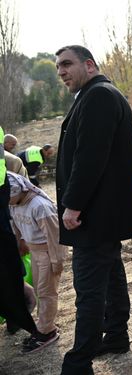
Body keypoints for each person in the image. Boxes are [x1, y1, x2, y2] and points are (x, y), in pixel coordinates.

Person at [55, 45, 132, 374]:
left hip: (93, 214)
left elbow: (90, 157)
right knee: (110, 274)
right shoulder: (99, 95)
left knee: (89, 288)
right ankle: (117, 335)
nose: (61, 72)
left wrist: (73, 205)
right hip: (103, 214)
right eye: (58, 68)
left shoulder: (98, 96)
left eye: (67, 64)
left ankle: (80, 361)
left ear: (89, 64)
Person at [8, 172, 68, 353]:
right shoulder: (14, 203)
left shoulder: (40, 206)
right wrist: (20, 241)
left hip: (47, 253)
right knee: (40, 289)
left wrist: (57, 261)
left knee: (46, 292)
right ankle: (43, 325)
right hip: (34, 251)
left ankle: (47, 331)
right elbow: (17, 226)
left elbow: (55, 236)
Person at [0, 126, 38, 342]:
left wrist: (22, 237)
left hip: (9, 229)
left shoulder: (12, 162)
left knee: (14, 275)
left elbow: (24, 200)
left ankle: (15, 318)